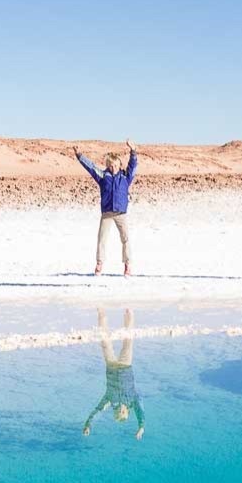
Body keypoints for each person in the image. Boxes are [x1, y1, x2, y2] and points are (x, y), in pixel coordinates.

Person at [73, 141, 138, 276]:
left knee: (125, 239)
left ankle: (127, 265)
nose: (113, 168)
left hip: (121, 213)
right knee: (102, 239)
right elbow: (90, 167)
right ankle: (99, 263)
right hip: (107, 213)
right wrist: (79, 155)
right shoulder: (103, 176)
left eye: (115, 165)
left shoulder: (125, 177)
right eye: (110, 165)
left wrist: (133, 151)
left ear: (119, 165)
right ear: (108, 166)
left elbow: (133, 166)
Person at [83, 308, 145, 439]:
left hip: (111, 367)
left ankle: (102, 314)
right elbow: (140, 411)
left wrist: (88, 424)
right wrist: (141, 427)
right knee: (128, 342)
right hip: (125, 366)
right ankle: (129, 314)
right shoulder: (133, 399)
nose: (120, 410)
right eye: (123, 412)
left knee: (105, 343)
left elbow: (98, 411)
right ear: (127, 411)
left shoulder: (109, 400)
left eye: (117, 412)